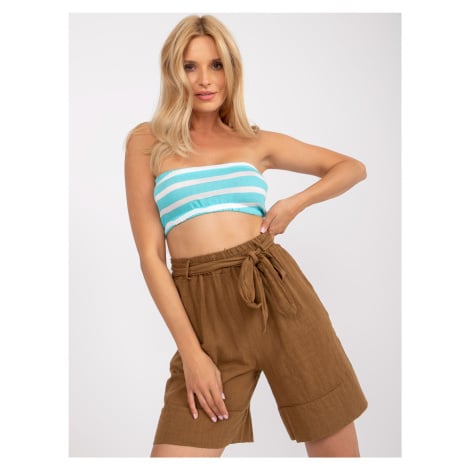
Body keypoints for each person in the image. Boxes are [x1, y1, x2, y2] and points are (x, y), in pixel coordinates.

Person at [124, 14, 368, 458]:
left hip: (280, 296)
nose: (204, 79)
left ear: (231, 70)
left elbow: (351, 167)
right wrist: (192, 354)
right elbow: (151, 257)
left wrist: (294, 203)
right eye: (190, 66)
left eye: (216, 65)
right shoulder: (147, 142)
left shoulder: (255, 141)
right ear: (173, 72)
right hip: (205, 319)